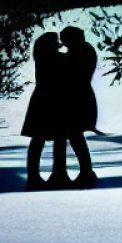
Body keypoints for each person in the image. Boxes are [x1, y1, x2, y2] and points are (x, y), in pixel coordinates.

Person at [21, 32, 71, 191]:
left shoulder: (42, 57)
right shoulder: (55, 58)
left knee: (39, 139)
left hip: (41, 100)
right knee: (59, 137)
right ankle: (58, 174)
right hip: (53, 101)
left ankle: (34, 177)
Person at [59, 26, 98, 189]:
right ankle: (86, 171)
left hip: (78, 99)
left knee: (75, 135)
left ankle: (86, 172)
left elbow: (74, 75)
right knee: (75, 136)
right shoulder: (83, 51)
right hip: (79, 98)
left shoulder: (81, 53)